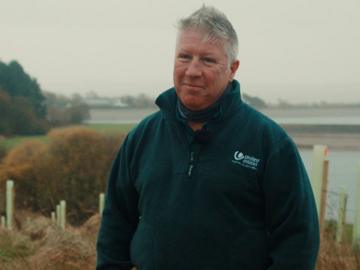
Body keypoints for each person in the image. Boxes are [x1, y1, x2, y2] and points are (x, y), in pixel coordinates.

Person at [97, 5, 319, 270]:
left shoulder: (269, 143)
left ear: (232, 68)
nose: (192, 70)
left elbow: (298, 238)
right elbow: (115, 224)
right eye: (184, 56)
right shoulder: (142, 137)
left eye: (207, 60)